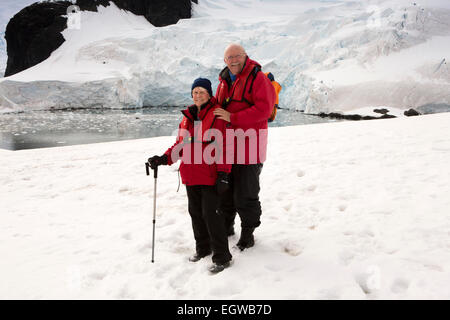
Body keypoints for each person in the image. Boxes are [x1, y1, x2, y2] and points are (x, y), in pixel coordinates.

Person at [148, 78, 232, 274]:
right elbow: (180, 146)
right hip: (191, 175)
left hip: (210, 175)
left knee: (211, 215)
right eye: (195, 92)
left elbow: (224, 146)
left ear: (210, 94)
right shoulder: (187, 116)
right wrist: (162, 159)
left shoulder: (217, 114)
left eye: (202, 91)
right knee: (196, 214)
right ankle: (203, 249)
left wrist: (224, 174)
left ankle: (222, 257)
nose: (198, 95)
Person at [213, 43, 276, 251]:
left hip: (251, 146)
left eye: (237, 56)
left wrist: (233, 117)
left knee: (246, 193)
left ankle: (248, 233)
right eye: (229, 57)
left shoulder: (258, 78)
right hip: (229, 146)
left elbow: (264, 110)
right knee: (225, 190)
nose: (233, 60)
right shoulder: (223, 80)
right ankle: (227, 226)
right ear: (225, 61)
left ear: (245, 56)